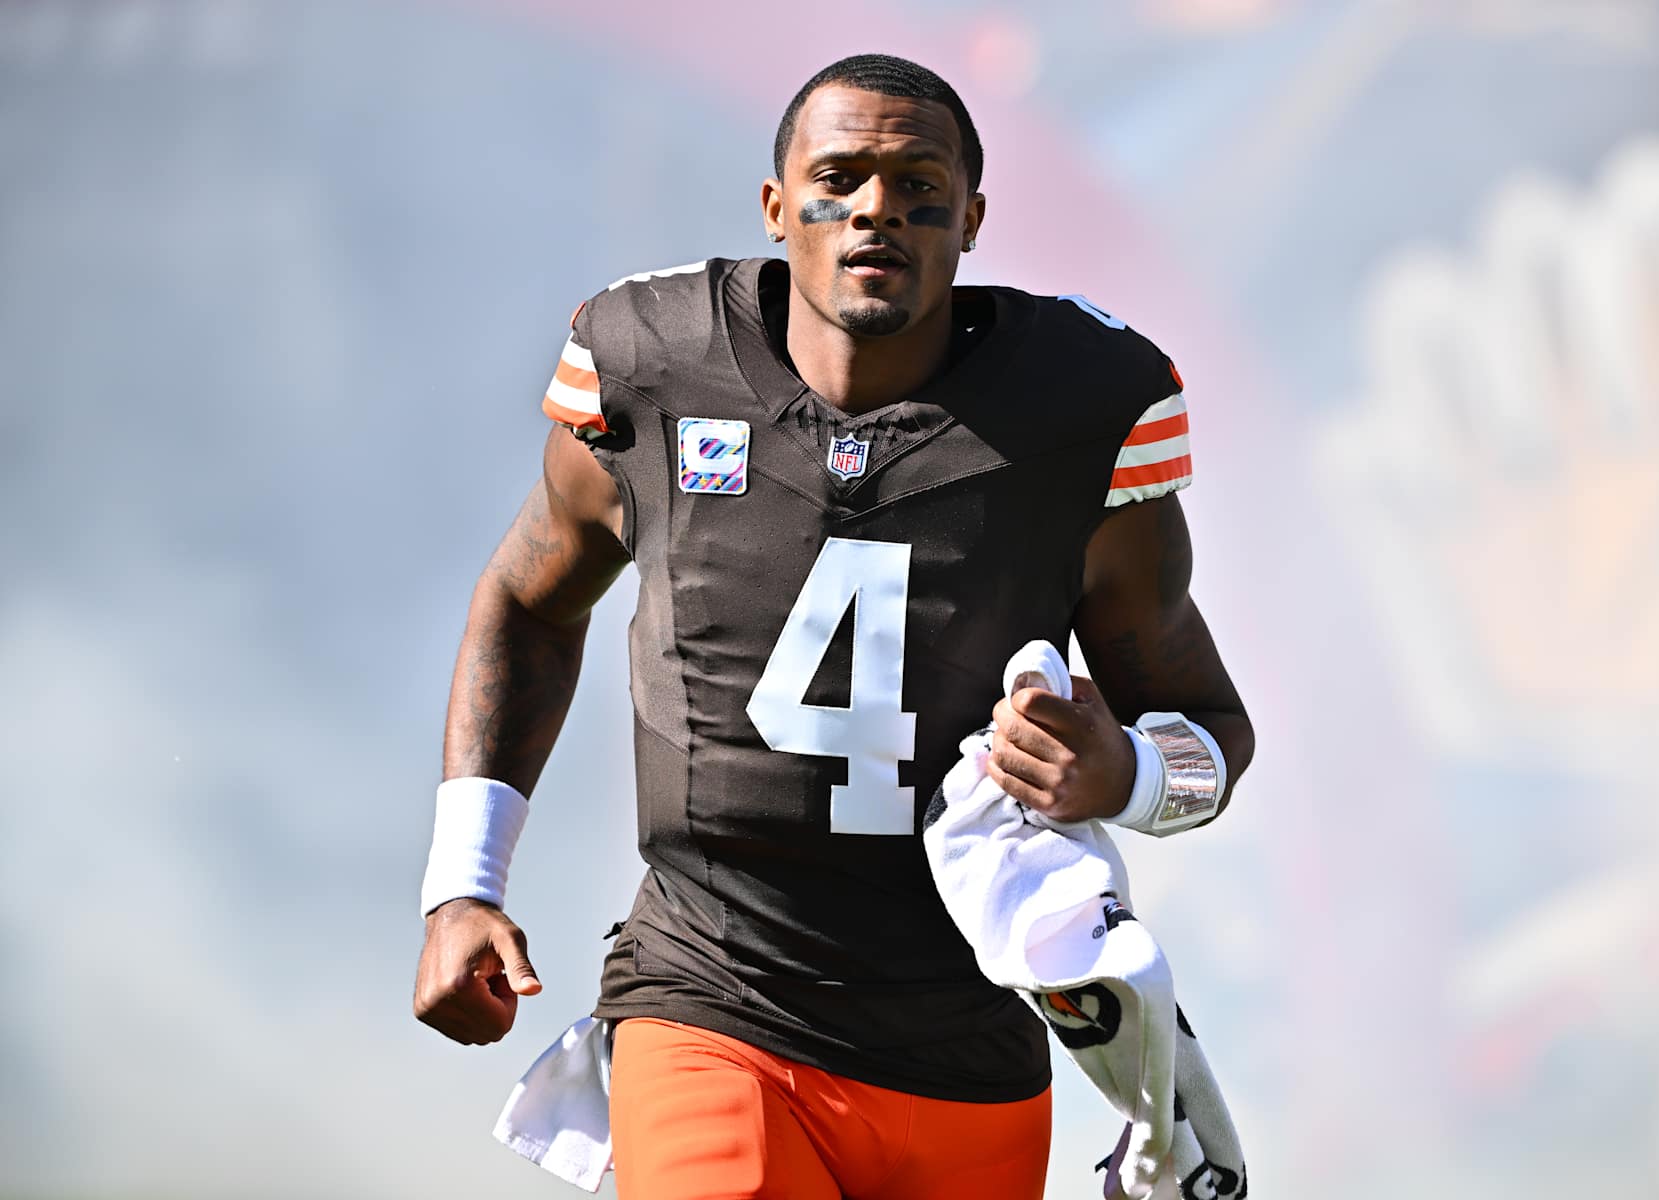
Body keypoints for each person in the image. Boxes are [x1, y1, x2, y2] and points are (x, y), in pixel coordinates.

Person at [412, 52, 1253, 1200]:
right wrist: (465, 882)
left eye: (919, 186)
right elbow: (528, 600)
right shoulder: (656, 368)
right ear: (776, 206)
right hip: (711, 995)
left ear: (972, 219)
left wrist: (1128, 774)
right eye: (840, 178)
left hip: (966, 1055)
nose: (876, 209)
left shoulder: (1078, 411)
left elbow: (1212, 734)